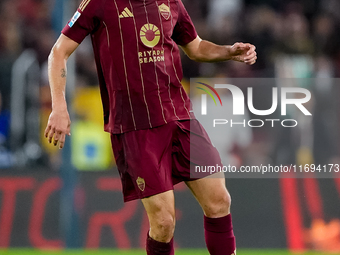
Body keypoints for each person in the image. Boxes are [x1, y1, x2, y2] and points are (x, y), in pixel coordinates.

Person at [44, 0, 257, 254]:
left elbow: (196, 47)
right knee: (164, 223)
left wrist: (228, 52)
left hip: (180, 117)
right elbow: (58, 52)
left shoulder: (171, 2)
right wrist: (59, 107)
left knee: (220, 200)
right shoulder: (99, 3)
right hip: (136, 126)